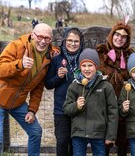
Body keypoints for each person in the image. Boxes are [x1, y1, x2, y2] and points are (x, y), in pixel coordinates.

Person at [0, 23, 59, 155]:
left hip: (17, 103)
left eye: (47, 38)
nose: (43, 41)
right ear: (32, 35)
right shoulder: (16, 46)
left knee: (35, 132)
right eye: (40, 37)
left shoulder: (49, 57)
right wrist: (19, 64)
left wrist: (32, 110)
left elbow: (38, 88)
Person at [63, 48, 119, 155]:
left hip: (99, 132)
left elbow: (113, 112)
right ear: (80, 67)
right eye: (84, 66)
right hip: (79, 132)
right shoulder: (74, 86)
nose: (87, 69)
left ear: (96, 66)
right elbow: (66, 108)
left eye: (90, 65)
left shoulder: (106, 86)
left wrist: (110, 136)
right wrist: (76, 106)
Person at [45, 27, 84, 156]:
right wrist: (58, 77)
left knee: (76, 143)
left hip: (80, 109)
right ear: (64, 41)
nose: (73, 44)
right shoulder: (56, 59)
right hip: (61, 109)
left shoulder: (84, 59)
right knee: (62, 142)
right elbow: (48, 84)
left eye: (76, 41)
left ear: (81, 43)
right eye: (70, 40)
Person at [96, 20, 133, 155]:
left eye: (123, 37)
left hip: (123, 106)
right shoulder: (101, 52)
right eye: (117, 35)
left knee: (122, 143)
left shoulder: (130, 56)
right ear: (112, 35)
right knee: (104, 144)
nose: (119, 39)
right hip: (104, 107)